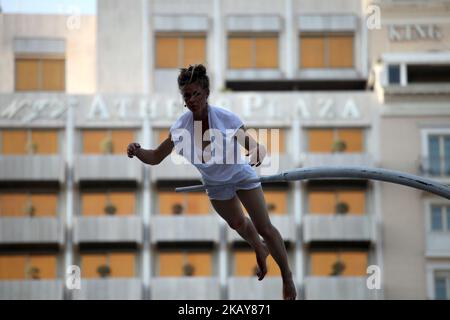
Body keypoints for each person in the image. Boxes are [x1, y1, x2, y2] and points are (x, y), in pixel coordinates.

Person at [127, 64, 296, 300]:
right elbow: (155, 157)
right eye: (187, 95)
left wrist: (258, 152)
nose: (193, 99)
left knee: (264, 228)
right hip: (215, 184)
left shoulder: (225, 118)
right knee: (237, 223)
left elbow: (254, 145)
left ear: (206, 93)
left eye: (197, 93)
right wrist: (136, 150)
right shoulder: (180, 129)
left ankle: (287, 278)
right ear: (183, 99)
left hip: (240, 175)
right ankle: (259, 248)